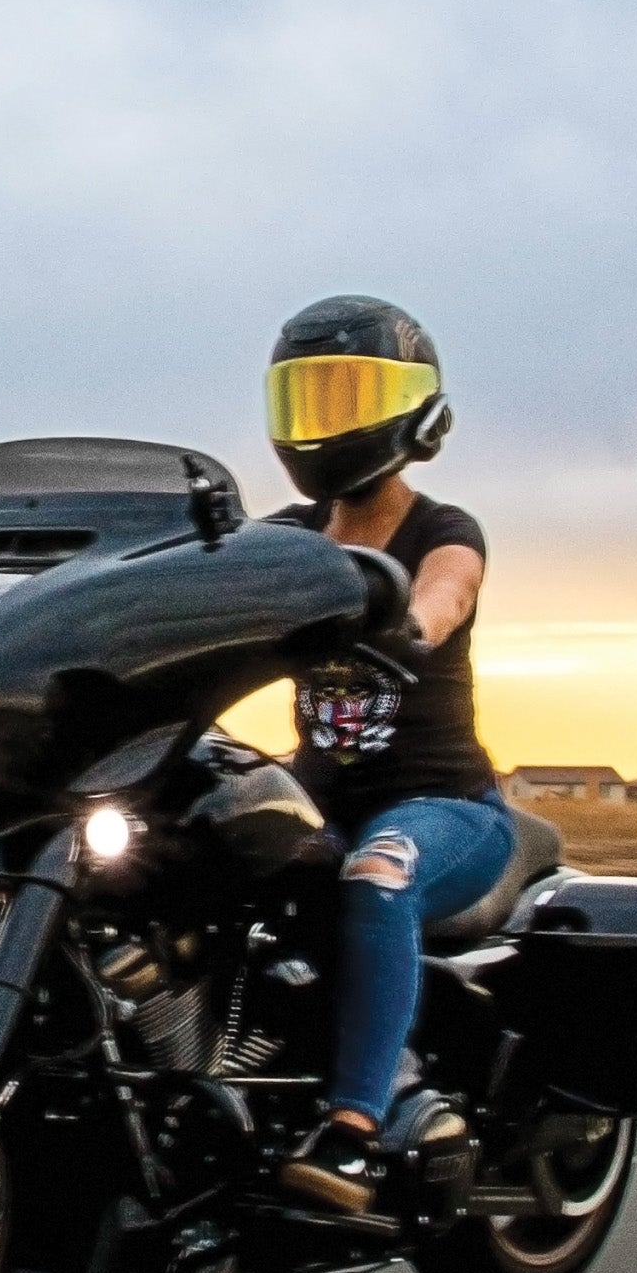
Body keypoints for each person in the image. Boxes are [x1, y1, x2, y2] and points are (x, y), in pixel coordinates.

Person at [263, 295, 517, 1215]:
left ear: (415, 409)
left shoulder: (441, 532)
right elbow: (192, 582)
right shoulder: (286, 540)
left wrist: (409, 619)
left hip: (444, 810)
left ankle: (356, 1132)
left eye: (349, 395)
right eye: (308, 399)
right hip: (321, 797)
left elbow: (445, 595)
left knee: (378, 872)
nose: (326, 422)